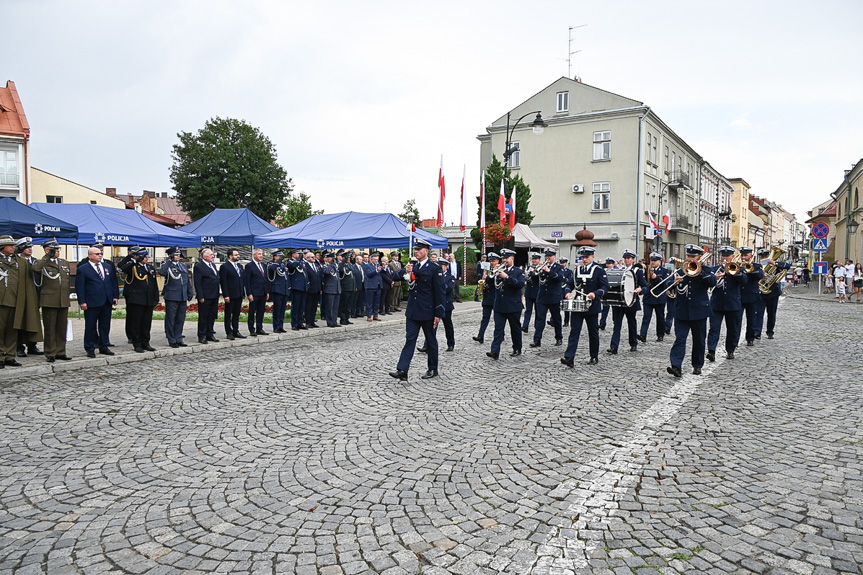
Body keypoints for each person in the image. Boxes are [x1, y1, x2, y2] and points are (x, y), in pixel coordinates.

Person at [389, 238, 445, 381]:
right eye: (416, 249)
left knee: (431, 341)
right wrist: (404, 270)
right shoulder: (412, 265)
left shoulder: (434, 268)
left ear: (426, 251)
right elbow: (394, 276)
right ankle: (402, 370)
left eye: (419, 249)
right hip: (413, 311)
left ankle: (433, 368)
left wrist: (438, 313)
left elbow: (440, 292)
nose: (417, 252)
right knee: (410, 339)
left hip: (428, 311)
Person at [666, 244, 716, 378]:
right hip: (682, 311)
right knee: (680, 339)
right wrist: (674, 283)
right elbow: (667, 286)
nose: (690, 258)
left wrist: (699, 272)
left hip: (699, 311)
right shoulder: (679, 270)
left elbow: (712, 282)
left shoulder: (705, 270)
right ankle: (676, 366)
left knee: (699, 340)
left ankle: (697, 365)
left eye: (693, 256)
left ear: (699, 257)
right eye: (689, 255)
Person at [560, 246, 609, 367]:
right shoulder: (577, 270)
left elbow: (605, 287)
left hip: (592, 306)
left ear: (593, 257)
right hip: (578, 305)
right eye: (583, 257)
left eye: (587, 257)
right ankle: (569, 357)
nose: (585, 259)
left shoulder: (599, 270)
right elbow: (570, 284)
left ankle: (594, 356)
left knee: (593, 332)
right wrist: (567, 292)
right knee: (574, 331)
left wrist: (595, 294)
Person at [75, 245, 119, 358]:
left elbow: (113, 282)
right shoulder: (83, 269)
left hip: (106, 300)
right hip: (92, 302)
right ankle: (90, 347)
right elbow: (80, 287)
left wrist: (115, 296)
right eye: (97, 254)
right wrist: (82, 301)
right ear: (90, 256)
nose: (100, 255)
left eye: (100, 254)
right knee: (90, 326)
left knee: (105, 325)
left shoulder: (107, 266)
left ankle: (104, 345)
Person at [32, 239, 72, 362]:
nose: (57, 251)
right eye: (54, 250)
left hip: (63, 299)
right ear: (46, 250)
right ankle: (50, 352)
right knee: (50, 328)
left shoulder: (64, 262)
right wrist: (46, 257)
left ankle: (61, 351)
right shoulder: (42, 263)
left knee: (61, 328)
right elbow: (35, 269)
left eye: (58, 249)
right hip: (49, 300)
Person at [706, 246, 748, 361]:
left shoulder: (739, 268)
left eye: (727, 256)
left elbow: (744, 280)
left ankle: (730, 350)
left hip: (732, 304)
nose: (725, 258)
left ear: (732, 257)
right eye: (723, 256)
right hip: (716, 303)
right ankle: (711, 350)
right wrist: (714, 277)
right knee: (714, 328)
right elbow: (708, 283)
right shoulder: (714, 269)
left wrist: (733, 272)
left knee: (732, 329)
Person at [119, 247, 160, 353]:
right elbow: (122, 268)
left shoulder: (150, 268)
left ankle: (145, 342)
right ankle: (137, 343)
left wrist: (156, 297)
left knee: (147, 323)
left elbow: (154, 284)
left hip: (148, 299)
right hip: (137, 299)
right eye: (144, 257)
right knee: (136, 323)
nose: (146, 258)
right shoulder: (133, 267)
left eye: (147, 256)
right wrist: (133, 260)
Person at [487, 248, 525, 360]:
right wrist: (490, 275)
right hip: (499, 305)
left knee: (515, 328)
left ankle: (517, 348)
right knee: (498, 329)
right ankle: (495, 351)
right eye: (503, 258)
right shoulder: (498, 270)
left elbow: (520, 284)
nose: (504, 260)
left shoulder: (519, 272)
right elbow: (490, 284)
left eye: (506, 258)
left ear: (512, 259)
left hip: (513, 305)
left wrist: (507, 277)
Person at [608, 249, 647, 354]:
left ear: (633, 260)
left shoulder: (637, 271)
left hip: (631, 301)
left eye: (628, 258)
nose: (626, 260)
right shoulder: (619, 270)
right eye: (625, 258)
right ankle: (614, 347)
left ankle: (633, 343)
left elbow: (645, 286)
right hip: (619, 301)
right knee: (617, 325)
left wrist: (640, 290)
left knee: (631, 323)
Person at [157, 246, 193, 348]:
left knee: (180, 318)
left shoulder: (182, 265)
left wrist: (189, 292)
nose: (178, 256)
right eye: (176, 255)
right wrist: (169, 261)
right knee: (171, 318)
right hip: (172, 296)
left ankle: (178, 338)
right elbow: (162, 273)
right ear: (171, 256)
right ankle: (171, 339)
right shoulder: (167, 265)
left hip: (182, 296)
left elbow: (186, 280)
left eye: (178, 254)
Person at [14, 238, 43, 357]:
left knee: (34, 322)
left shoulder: (36, 262)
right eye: (27, 247)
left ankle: (32, 345)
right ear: (20, 249)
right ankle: (19, 347)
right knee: (20, 322)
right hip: (20, 296)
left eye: (31, 247)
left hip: (35, 295)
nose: (30, 249)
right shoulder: (16, 262)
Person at [530, 248, 564, 348]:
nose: (548, 258)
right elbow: (536, 279)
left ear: (554, 256)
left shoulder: (558, 267)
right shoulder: (541, 266)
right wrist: (532, 272)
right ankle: (537, 340)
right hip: (542, 297)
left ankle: (559, 337)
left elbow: (559, 278)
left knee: (556, 319)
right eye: (546, 256)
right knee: (540, 318)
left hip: (554, 297)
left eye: (550, 256)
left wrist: (548, 271)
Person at [756, 247, 791, 339]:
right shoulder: (757, 266)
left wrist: (775, 263)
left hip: (773, 292)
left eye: (766, 256)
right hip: (760, 293)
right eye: (762, 256)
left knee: (771, 314)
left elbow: (788, 266)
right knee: (759, 313)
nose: (764, 257)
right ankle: (757, 332)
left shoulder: (776, 265)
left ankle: (770, 331)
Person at [639, 252, 670, 343]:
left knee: (660, 317)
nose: (653, 262)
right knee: (646, 317)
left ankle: (660, 335)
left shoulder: (664, 271)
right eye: (652, 260)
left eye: (655, 260)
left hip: (659, 297)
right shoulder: (646, 270)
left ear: (660, 262)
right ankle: (643, 335)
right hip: (648, 297)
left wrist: (656, 278)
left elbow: (666, 283)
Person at [193, 248, 221, 344]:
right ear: (205, 256)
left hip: (214, 295)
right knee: (204, 317)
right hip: (205, 296)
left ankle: (210, 333)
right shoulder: (199, 266)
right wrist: (200, 296)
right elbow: (198, 282)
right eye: (211, 255)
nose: (213, 256)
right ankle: (202, 335)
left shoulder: (212, 265)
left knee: (212, 316)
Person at [737, 247, 764, 346]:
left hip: (752, 296)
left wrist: (749, 270)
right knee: (737, 320)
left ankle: (750, 338)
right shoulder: (737, 266)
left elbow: (760, 276)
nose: (744, 257)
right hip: (739, 296)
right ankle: (735, 340)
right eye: (742, 255)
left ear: (751, 256)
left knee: (751, 319)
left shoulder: (756, 266)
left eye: (746, 255)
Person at [218, 248, 245, 340]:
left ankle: (236, 330)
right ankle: (229, 332)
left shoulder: (240, 266)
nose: (238, 256)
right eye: (236, 254)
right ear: (230, 256)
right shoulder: (225, 267)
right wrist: (226, 295)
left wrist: (243, 292)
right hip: (230, 294)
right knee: (228, 314)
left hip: (239, 294)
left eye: (238, 254)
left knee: (236, 314)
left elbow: (241, 280)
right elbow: (223, 282)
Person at [473, 252, 499, 344]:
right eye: (491, 261)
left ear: (497, 261)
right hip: (487, 298)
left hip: (496, 298)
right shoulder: (487, 269)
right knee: (485, 318)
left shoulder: (499, 270)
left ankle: (501, 335)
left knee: (498, 319)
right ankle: (480, 336)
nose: (492, 262)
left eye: (494, 261)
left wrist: (487, 278)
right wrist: (482, 281)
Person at [243, 248, 270, 336]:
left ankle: (259, 328)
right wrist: (249, 293)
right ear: (254, 255)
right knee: (252, 311)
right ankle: (251, 329)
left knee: (261, 311)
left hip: (262, 292)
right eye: (259, 254)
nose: (261, 255)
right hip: (254, 293)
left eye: (262, 254)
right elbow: (247, 281)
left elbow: (265, 279)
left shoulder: (263, 265)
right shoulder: (249, 266)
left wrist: (267, 292)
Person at [267, 250, 290, 333]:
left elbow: (286, 277)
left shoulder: (283, 265)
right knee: (277, 309)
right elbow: (272, 269)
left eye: (281, 257)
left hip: (284, 290)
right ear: (274, 257)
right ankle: (276, 326)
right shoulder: (271, 264)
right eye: (278, 256)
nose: (280, 258)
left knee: (282, 309)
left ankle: (281, 325)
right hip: (277, 290)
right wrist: (277, 262)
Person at [286, 248, 309, 330]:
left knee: (301, 306)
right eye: (297, 254)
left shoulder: (302, 262)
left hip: (302, 287)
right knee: (296, 306)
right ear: (293, 254)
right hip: (296, 287)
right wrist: (298, 261)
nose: (299, 255)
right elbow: (292, 267)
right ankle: (294, 323)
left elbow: (305, 274)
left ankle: (300, 322)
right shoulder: (290, 261)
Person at [320, 251, 342, 327]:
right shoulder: (324, 266)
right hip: (329, 289)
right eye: (331, 258)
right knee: (329, 307)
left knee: (335, 307)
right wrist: (330, 264)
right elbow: (326, 272)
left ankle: (334, 321)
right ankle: (329, 322)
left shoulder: (335, 266)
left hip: (337, 289)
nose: (333, 259)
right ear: (327, 258)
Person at [438, 260, 456, 350]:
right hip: (436, 304)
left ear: (446, 267)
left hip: (446, 304)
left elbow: (449, 288)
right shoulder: (435, 276)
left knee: (447, 325)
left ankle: (451, 343)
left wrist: (439, 285)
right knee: (432, 326)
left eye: (442, 266)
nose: (440, 267)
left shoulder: (450, 277)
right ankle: (427, 346)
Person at [521, 253, 541, 334]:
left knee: (537, 311)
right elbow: (525, 278)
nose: (534, 261)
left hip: (537, 292)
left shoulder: (541, 268)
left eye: (536, 259)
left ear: (539, 260)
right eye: (533, 259)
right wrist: (526, 274)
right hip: (529, 292)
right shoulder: (529, 267)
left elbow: (538, 277)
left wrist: (532, 272)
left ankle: (537, 326)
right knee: (528, 310)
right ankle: (525, 326)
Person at [362, 251, 383, 321]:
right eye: (375, 259)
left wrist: (384, 268)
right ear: (371, 259)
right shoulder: (368, 266)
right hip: (370, 286)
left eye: (377, 259)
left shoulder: (378, 265)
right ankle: (369, 315)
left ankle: (375, 315)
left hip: (378, 286)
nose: (376, 261)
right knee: (369, 302)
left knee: (376, 302)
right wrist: (376, 270)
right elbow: (369, 274)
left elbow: (381, 274)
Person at [303, 251, 322, 328]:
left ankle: (312, 321)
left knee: (314, 307)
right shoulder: (305, 266)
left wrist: (320, 288)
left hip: (317, 289)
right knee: (308, 306)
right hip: (310, 289)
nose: (314, 258)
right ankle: (308, 322)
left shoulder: (316, 265)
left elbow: (319, 277)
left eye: (314, 256)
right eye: (311, 257)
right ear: (307, 258)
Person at [337, 250, 356, 325]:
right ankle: (343, 319)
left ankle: (347, 318)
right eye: (347, 258)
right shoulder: (342, 265)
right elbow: (341, 271)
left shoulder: (350, 265)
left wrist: (354, 287)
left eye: (349, 257)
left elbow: (353, 276)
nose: (348, 259)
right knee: (344, 304)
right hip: (345, 288)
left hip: (351, 287)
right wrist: (343, 262)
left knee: (349, 304)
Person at [598, 257, 615, 330]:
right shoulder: (603, 271)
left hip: (614, 292)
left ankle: (615, 323)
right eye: (607, 264)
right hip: (606, 293)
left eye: (610, 264)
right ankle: (602, 323)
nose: (608, 265)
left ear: (613, 264)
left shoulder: (616, 271)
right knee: (605, 309)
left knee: (615, 310)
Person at [559, 257, 574, 327]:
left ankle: (566, 321)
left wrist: (564, 279)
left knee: (566, 306)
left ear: (566, 263)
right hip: (558, 289)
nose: (562, 264)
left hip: (565, 289)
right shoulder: (558, 270)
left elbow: (570, 280)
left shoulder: (569, 271)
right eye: (561, 263)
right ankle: (554, 320)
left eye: (563, 263)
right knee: (556, 305)